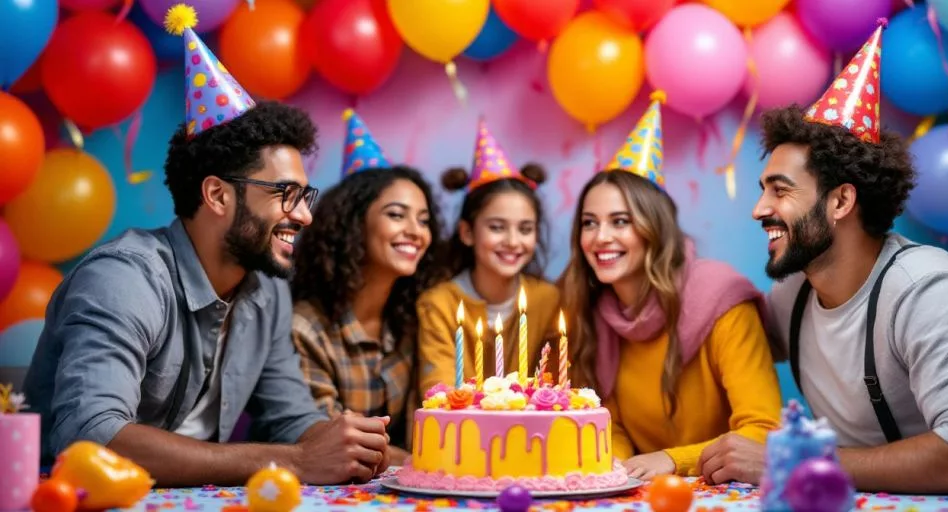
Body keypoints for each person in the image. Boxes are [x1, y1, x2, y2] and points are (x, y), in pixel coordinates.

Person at [23, 6, 389, 487]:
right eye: (286, 195)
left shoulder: (266, 289)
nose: (304, 215)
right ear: (217, 195)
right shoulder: (123, 279)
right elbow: (91, 436)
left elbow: (290, 418)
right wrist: (296, 462)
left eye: (305, 196)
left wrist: (369, 449)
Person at [701, 24, 948, 495]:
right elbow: (727, 344)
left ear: (841, 202)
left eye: (780, 190)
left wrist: (793, 459)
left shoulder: (925, 289)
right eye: (762, 189)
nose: (759, 209)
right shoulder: (794, 294)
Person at [562, 92, 782, 481]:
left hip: (726, 493)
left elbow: (763, 432)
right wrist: (610, 463)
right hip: (639, 495)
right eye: (589, 223)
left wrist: (672, 459)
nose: (600, 237)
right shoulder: (595, 314)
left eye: (621, 221)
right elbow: (608, 423)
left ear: (654, 228)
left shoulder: (722, 299)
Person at [290, 110, 446, 464]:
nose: (415, 231)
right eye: (396, 214)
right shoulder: (307, 329)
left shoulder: (412, 322)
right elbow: (326, 442)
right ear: (352, 224)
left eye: (423, 220)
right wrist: (425, 465)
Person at [416, 119, 560, 396]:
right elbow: (438, 395)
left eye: (525, 229)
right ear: (467, 232)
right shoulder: (438, 305)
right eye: (497, 227)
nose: (513, 241)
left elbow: (557, 389)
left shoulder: (548, 300)